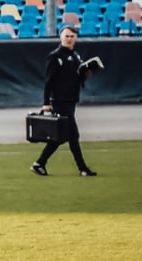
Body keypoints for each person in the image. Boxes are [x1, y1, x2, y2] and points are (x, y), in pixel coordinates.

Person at [35, 25, 97, 176]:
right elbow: (48, 81)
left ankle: (39, 163)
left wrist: (86, 74)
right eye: (67, 36)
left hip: (70, 99)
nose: (69, 39)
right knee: (73, 136)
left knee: (60, 136)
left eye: (72, 36)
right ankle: (82, 168)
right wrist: (46, 103)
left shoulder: (75, 55)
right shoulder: (55, 56)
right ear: (61, 37)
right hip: (60, 100)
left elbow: (76, 77)